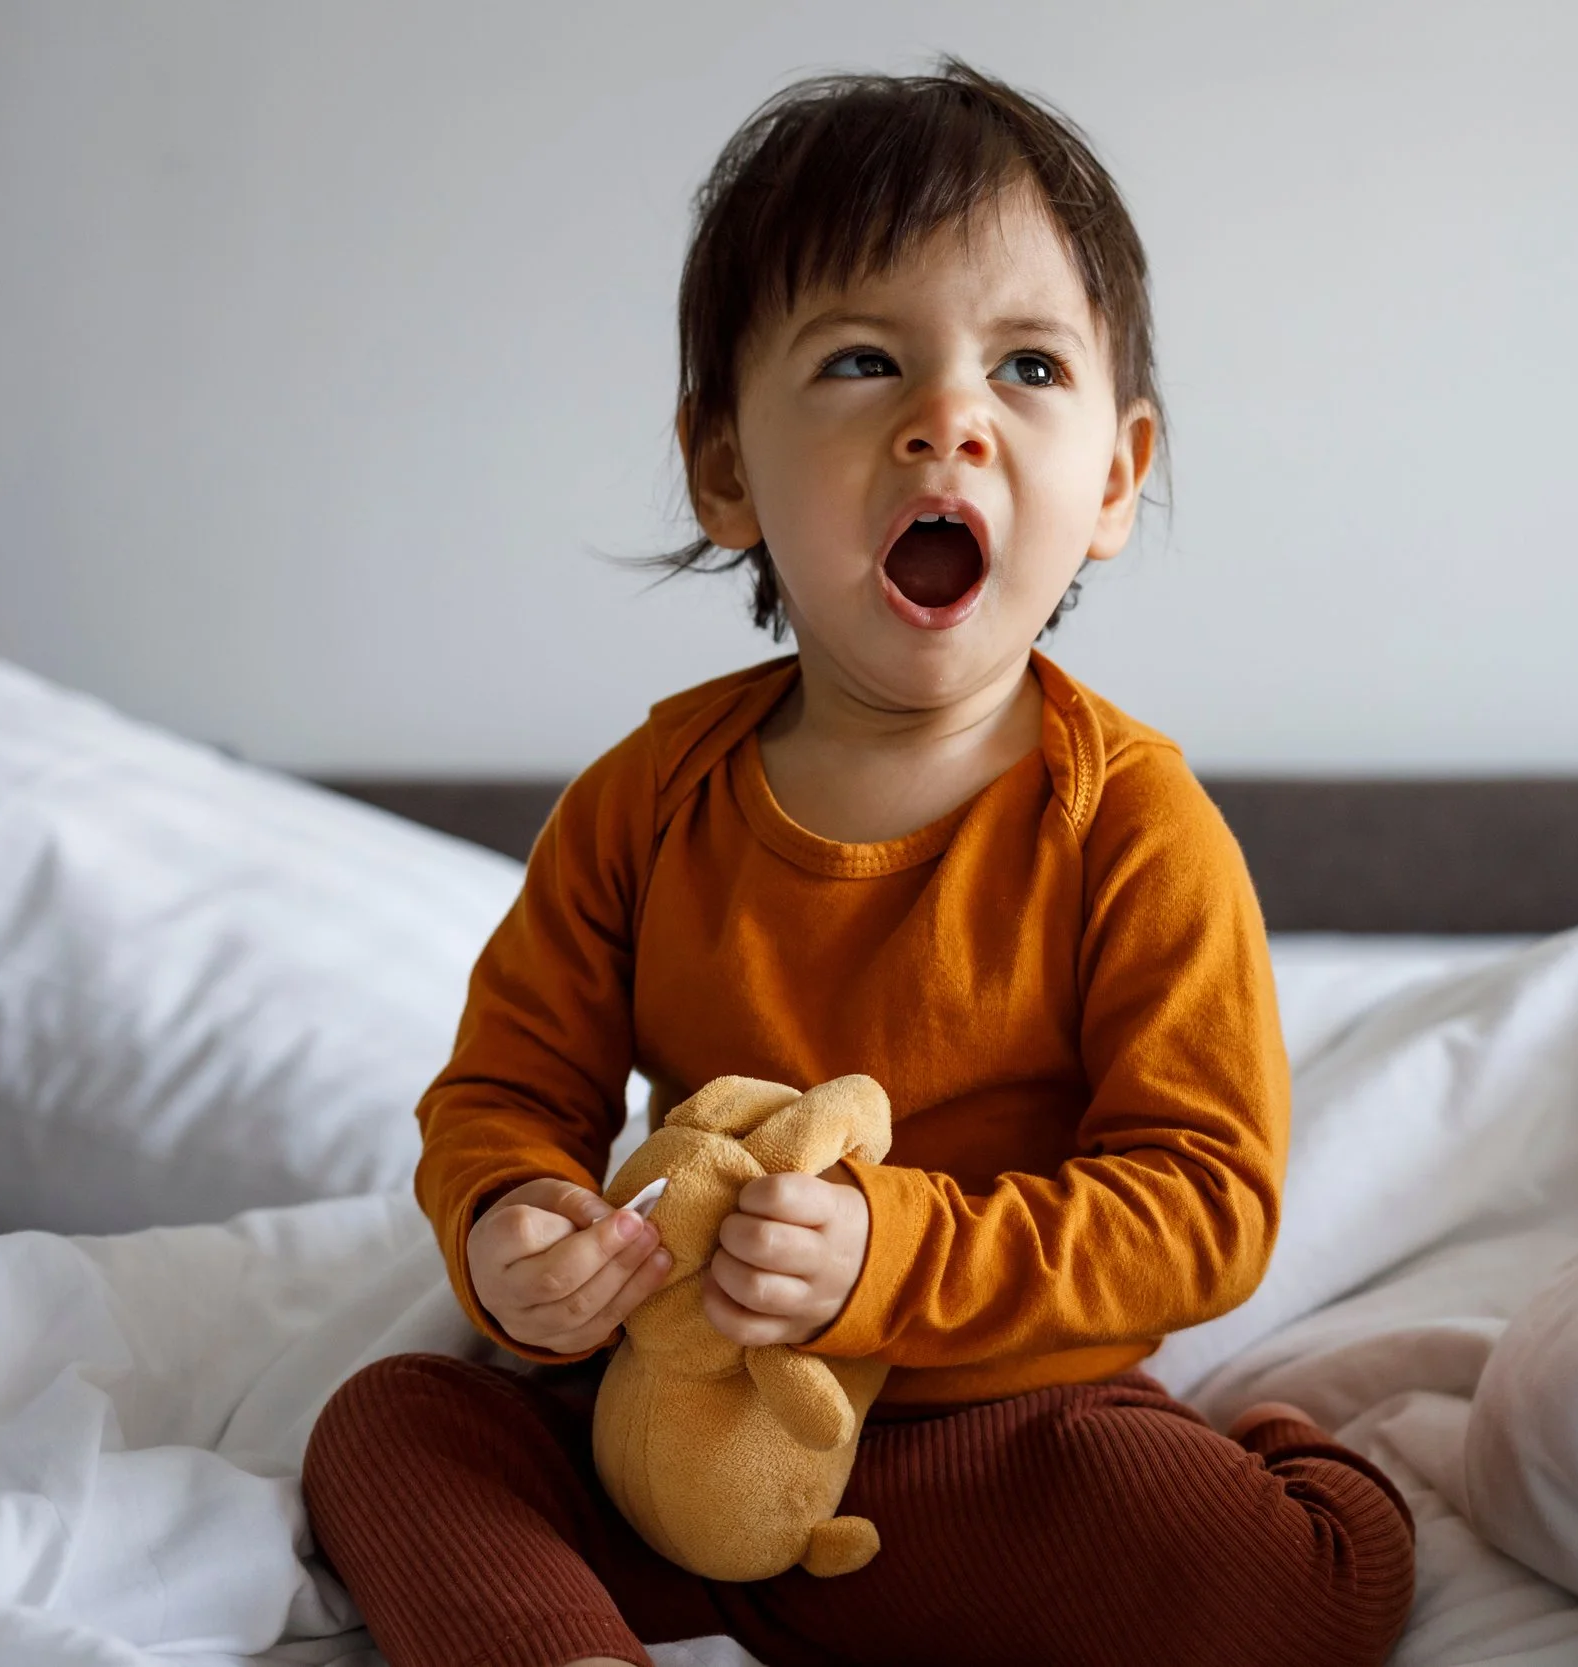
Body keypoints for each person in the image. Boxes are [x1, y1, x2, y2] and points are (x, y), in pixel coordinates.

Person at [300, 59, 1416, 1667]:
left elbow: (1204, 1205)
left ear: (1111, 474)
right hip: (676, 1428)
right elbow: (502, 1088)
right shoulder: (645, 800)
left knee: (1288, 1583)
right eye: (864, 359)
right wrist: (512, 1226)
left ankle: (1292, 1470)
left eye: (1027, 365)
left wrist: (887, 1255)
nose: (946, 418)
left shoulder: (1132, 826)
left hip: (997, 1432)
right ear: (728, 469)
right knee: (391, 1428)